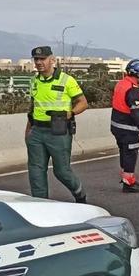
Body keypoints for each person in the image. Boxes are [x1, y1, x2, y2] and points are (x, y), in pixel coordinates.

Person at [24, 46, 89, 202]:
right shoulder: (34, 81)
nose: (39, 62)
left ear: (52, 60)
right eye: (36, 59)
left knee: (61, 171)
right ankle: (41, 205)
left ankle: (79, 194)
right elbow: (33, 107)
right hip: (37, 131)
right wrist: (28, 131)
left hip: (58, 131)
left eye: (43, 59)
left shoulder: (66, 80)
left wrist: (70, 113)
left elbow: (83, 103)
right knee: (36, 171)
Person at [111, 59, 139, 192]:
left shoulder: (121, 83)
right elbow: (136, 111)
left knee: (124, 153)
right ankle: (129, 184)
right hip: (128, 128)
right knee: (130, 155)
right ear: (138, 74)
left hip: (117, 126)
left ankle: (128, 179)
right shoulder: (132, 89)